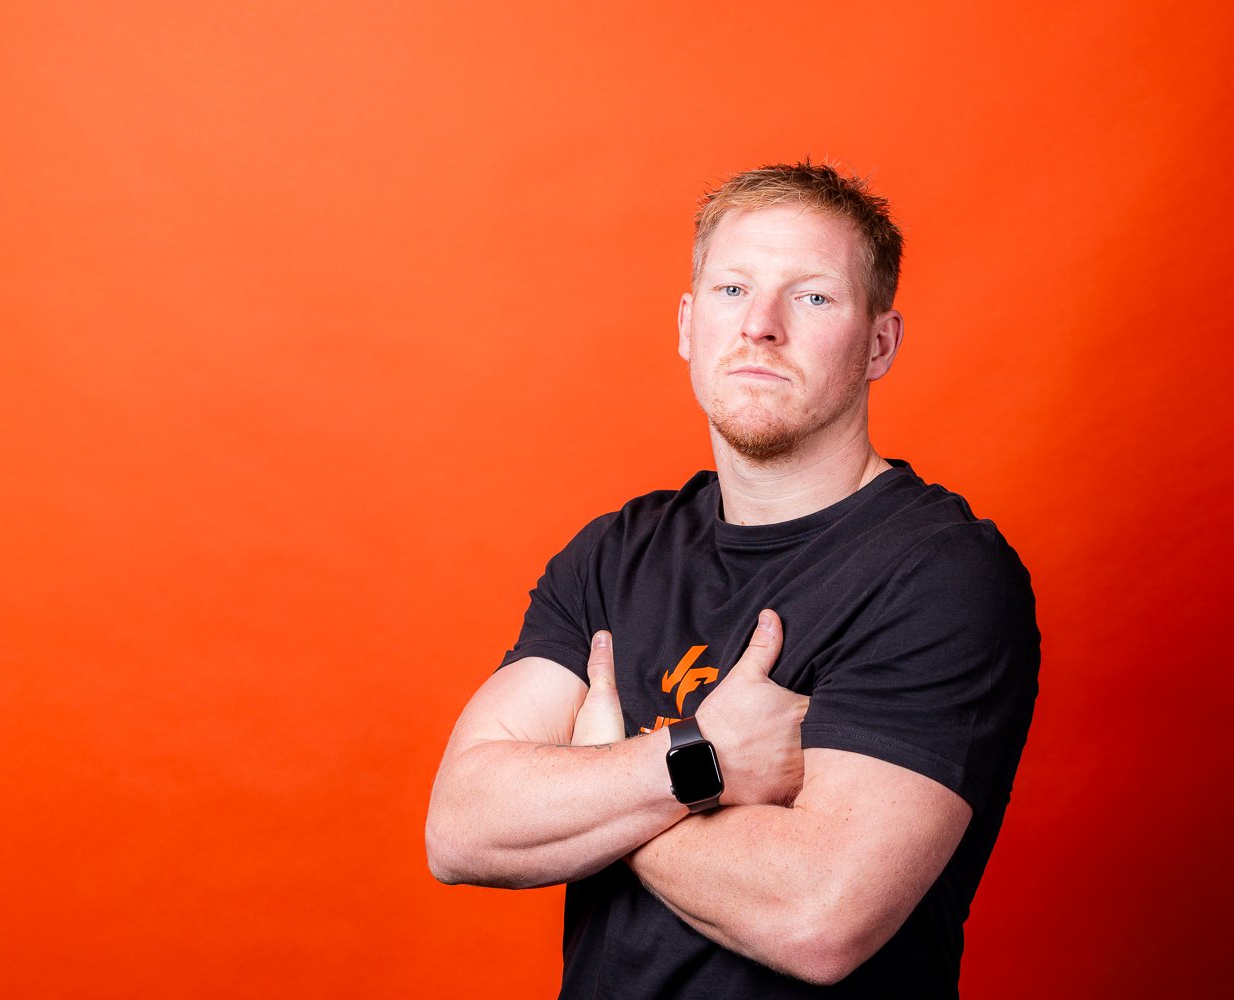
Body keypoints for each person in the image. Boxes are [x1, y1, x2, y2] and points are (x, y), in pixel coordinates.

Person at [425, 162, 1039, 998]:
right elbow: (461, 827)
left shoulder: (941, 575)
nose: (761, 326)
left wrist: (602, 781)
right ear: (687, 323)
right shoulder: (614, 553)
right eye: (732, 290)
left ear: (880, 343)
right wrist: (698, 761)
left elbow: (819, 917)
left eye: (813, 297)